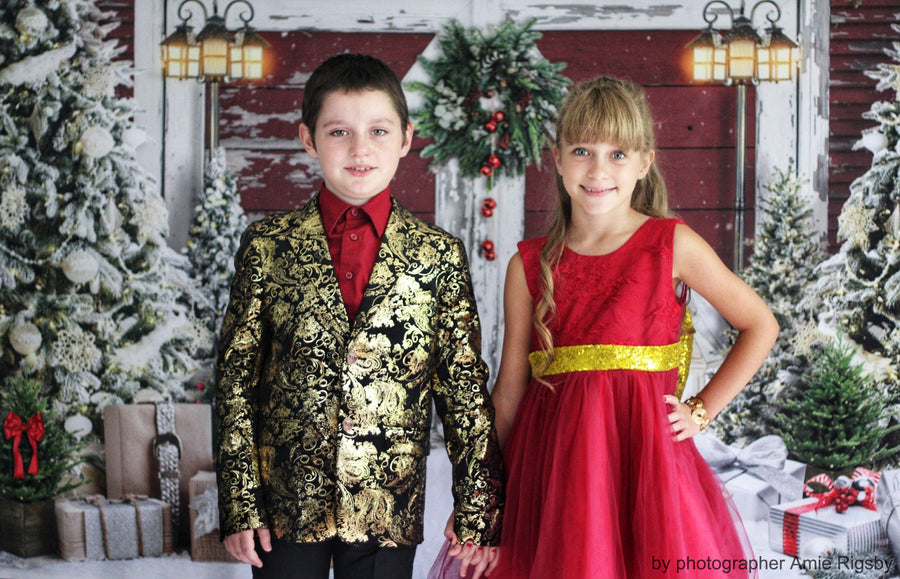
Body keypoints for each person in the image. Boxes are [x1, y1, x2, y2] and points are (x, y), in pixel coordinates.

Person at [214, 53, 503, 579]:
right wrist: (239, 501)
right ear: (308, 139)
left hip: (387, 503)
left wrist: (478, 506)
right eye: (339, 132)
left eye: (377, 130)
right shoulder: (267, 246)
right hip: (285, 504)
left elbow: (462, 387)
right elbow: (236, 380)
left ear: (406, 138)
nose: (360, 148)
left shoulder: (437, 256)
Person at [486, 76, 778, 578]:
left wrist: (701, 411)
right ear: (556, 158)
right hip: (553, 475)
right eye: (582, 150)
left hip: (647, 467)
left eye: (618, 154)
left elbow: (760, 324)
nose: (598, 169)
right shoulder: (529, 265)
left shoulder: (672, 245)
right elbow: (510, 390)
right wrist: (481, 490)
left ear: (644, 163)